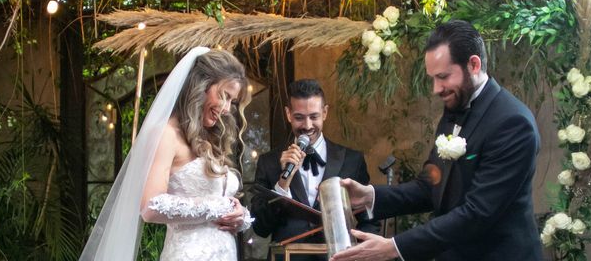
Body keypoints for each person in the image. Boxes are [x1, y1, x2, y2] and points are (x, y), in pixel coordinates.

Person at [331, 20, 543, 261]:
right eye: (433, 78)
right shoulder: (454, 107)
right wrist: (372, 196)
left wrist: (394, 247)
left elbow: (478, 213)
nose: (436, 88)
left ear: (473, 64)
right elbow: (430, 185)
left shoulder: (513, 123)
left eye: (443, 77)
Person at [80, 47, 253, 261]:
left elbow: (216, 202)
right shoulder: (166, 134)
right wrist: (218, 206)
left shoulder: (210, 139)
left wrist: (239, 215)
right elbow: (150, 206)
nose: (227, 108)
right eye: (224, 96)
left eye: (232, 101)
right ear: (201, 86)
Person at [251, 79, 379, 261]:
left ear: (325, 112)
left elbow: (370, 219)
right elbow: (260, 228)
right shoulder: (268, 162)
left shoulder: (352, 160)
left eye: (314, 116)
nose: (307, 125)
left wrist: (359, 253)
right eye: (299, 117)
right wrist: (282, 184)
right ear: (288, 114)